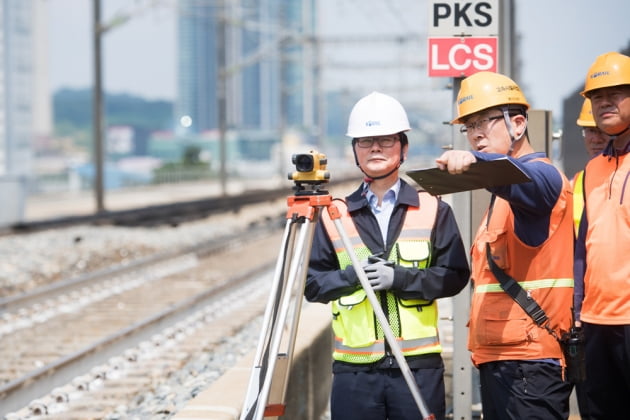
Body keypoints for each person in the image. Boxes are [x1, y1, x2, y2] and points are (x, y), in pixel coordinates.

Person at [305, 91, 470, 420]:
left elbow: (454, 276)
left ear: (403, 147)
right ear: (354, 150)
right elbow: (312, 285)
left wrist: (401, 278)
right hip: (354, 373)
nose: (375, 148)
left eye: (385, 140)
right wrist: (352, 277)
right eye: (365, 141)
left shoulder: (432, 209)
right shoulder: (333, 215)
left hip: (418, 369)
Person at [435, 71, 574, 420]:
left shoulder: (541, 177)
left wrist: (476, 163)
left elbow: (527, 182)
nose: (477, 133)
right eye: (470, 126)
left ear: (518, 123)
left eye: (486, 121)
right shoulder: (500, 197)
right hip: (502, 357)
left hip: (532, 363)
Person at [574, 51, 630, 419]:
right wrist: (577, 309)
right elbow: (582, 250)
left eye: (615, 93)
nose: (603, 102)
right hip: (594, 323)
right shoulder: (592, 170)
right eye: (596, 97)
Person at [571, 97, 610, 236]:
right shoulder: (575, 183)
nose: (596, 139)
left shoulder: (625, 174)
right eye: (590, 131)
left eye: (601, 130)